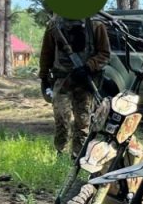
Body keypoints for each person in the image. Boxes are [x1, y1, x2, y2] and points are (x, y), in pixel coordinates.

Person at [39, 16, 111, 157]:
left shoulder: (95, 24)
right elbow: (46, 53)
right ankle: (61, 154)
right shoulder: (54, 24)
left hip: (84, 82)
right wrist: (44, 78)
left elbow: (104, 53)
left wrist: (89, 66)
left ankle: (78, 156)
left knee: (83, 121)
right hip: (62, 81)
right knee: (61, 119)